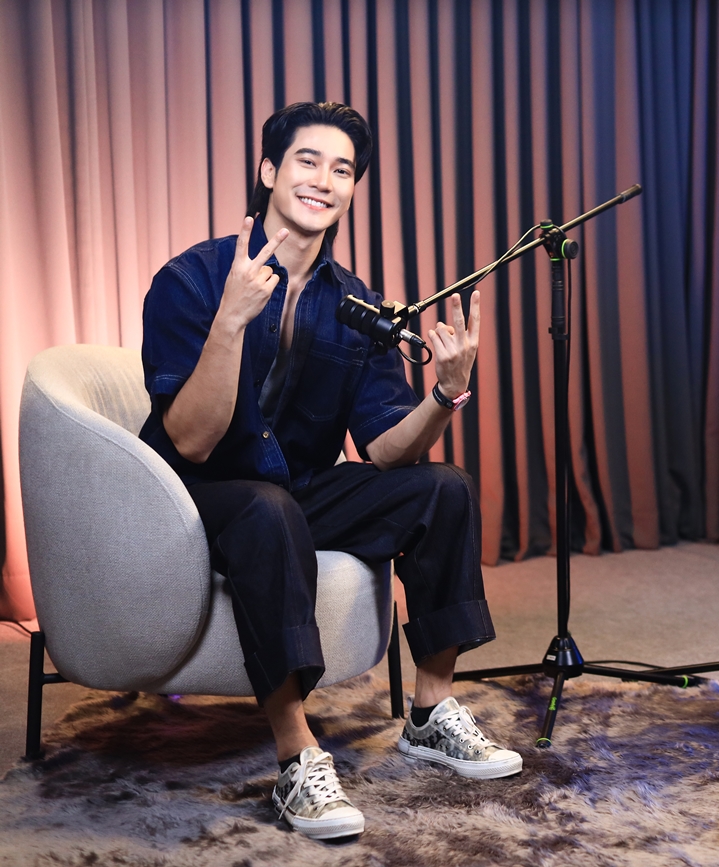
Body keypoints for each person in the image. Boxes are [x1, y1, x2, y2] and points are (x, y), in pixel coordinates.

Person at [139, 102, 522, 841]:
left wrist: (445, 395)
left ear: (352, 189)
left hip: (298, 488)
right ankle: (296, 754)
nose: (324, 180)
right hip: (196, 495)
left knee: (442, 488)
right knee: (266, 506)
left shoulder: (355, 303)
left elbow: (383, 451)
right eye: (308, 161)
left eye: (342, 169)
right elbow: (189, 441)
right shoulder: (191, 279)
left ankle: (430, 710)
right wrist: (230, 322)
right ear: (268, 171)